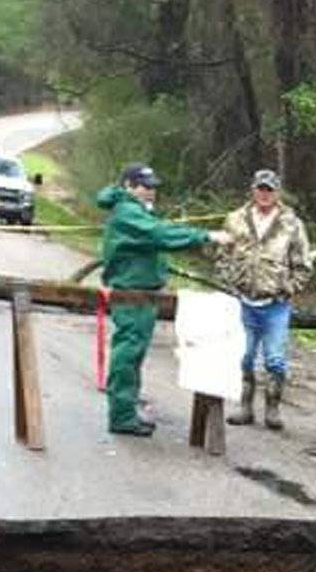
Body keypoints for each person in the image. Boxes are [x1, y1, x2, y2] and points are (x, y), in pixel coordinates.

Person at [93, 163, 231, 437]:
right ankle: (121, 416)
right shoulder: (128, 212)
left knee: (133, 355)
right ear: (128, 186)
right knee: (128, 354)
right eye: (145, 186)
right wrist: (208, 236)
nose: (151, 192)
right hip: (131, 293)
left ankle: (127, 411)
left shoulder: (136, 211)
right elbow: (161, 235)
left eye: (153, 187)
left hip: (142, 291)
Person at [216, 169, 312, 430]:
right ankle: (245, 407)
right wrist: (229, 284)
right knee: (244, 357)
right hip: (242, 300)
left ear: (277, 192)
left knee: (275, 360)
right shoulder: (235, 219)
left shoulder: (292, 223)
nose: (264, 194)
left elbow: (303, 265)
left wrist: (289, 288)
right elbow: (222, 256)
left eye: (269, 189)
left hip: (276, 304)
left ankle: (273, 407)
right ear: (253, 190)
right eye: (260, 188)